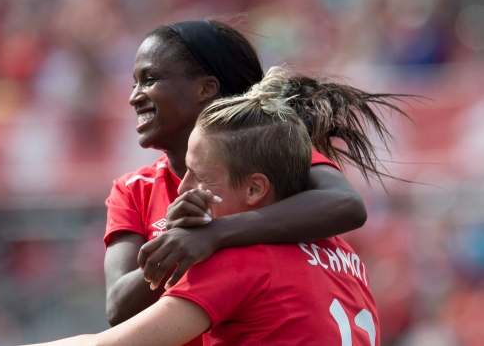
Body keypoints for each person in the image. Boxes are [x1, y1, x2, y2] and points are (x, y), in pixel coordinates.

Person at [24, 66, 379, 345]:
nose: (184, 188)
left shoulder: (238, 260)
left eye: (197, 175)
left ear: (256, 188)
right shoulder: (345, 257)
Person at [103, 17, 410, 337]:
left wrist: (213, 235)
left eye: (150, 79)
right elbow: (117, 307)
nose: (134, 96)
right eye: (134, 83)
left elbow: (346, 204)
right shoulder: (133, 189)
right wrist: (181, 245)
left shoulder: (273, 158)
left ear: (205, 88)